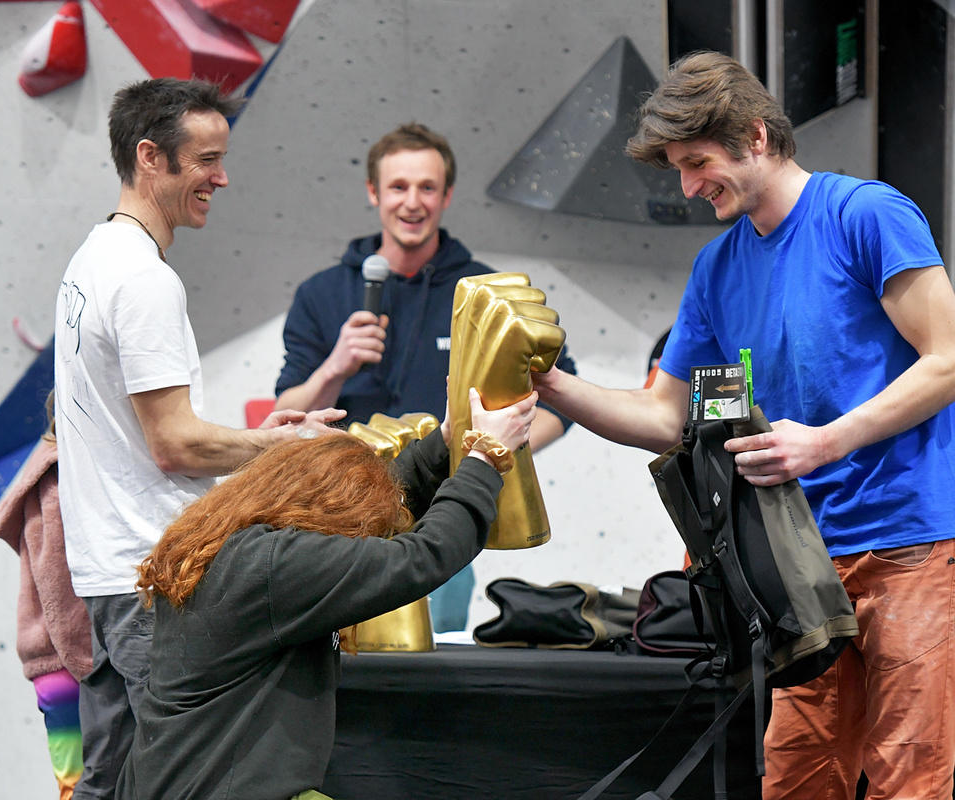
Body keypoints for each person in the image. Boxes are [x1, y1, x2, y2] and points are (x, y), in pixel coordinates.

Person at [532, 51, 955, 799]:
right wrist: (554, 385)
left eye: (698, 162)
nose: (688, 187)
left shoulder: (865, 215)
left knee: (906, 779)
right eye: (678, 171)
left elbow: (952, 363)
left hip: (913, 537)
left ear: (755, 136)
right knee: (796, 778)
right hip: (804, 565)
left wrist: (825, 442)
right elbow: (666, 417)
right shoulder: (718, 270)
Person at [53, 77, 343, 800]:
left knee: (111, 786)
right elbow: (174, 445)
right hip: (153, 584)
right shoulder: (145, 281)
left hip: (109, 576)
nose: (222, 177)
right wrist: (287, 449)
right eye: (205, 160)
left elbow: (132, 430)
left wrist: (251, 438)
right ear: (150, 158)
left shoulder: (90, 261)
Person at [114, 388, 538, 800]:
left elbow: (379, 501)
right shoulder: (273, 566)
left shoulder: (245, 549)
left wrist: (446, 439)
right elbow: (421, 559)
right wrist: (485, 457)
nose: (360, 538)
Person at [273, 122, 576, 630]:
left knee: (439, 659)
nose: (412, 202)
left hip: (441, 511)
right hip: (338, 513)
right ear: (373, 192)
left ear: (447, 195)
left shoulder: (482, 290)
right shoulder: (321, 292)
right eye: (398, 187)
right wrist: (337, 364)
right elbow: (289, 406)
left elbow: (558, 395)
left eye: (427, 187)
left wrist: (487, 456)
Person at [0, 396, 92, 799]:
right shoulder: (58, 474)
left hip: (59, 663)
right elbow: (57, 582)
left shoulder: (53, 467)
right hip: (73, 661)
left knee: (75, 786)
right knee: (87, 787)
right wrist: (89, 660)